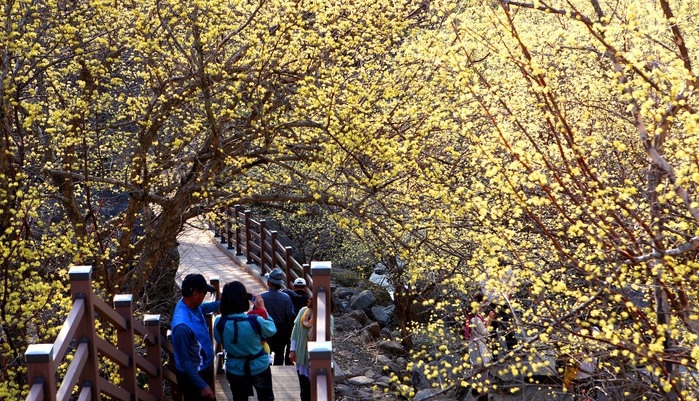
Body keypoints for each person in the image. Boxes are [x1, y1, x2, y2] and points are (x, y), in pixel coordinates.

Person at [214, 281, 276, 401]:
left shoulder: (219, 321)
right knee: (266, 398)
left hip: (234, 368)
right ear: (244, 299)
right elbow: (272, 330)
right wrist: (263, 309)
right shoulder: (255, 320)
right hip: (258, 366)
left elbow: (218, 339)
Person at [171, 273, 220, 401]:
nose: (205, 296)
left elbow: (203, 308)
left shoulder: (189, 305)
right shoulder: (182, 327)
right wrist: (202, 385)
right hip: (193, 377)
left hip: (203, 368)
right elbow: (184, 361)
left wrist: (222, 303)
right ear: (195, 294)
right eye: (204, 293)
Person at [289, 296, 334, 401]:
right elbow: (295, 331)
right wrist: (292, 350)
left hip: (316, 359)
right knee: (303, 387)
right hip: (301, 354)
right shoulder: (303, 311)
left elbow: (328, 337)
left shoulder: (328, 318)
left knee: (315, 390)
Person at [260, 267, 296, 365]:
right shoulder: (286, 297)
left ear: (269, 283)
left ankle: (267, 371)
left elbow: (257, 314)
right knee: (279, 354)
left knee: (265, 354)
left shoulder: (262, 297)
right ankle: (278, 370)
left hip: (266, 331)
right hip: (281, 331)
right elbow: (290, 314)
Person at [466, 292, 495, 401]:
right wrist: (490, 320)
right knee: (483, 370)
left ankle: (476, 389)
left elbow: (480, 326)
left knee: (476, 368)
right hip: (480, 346)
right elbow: (485, 332)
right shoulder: (476, 319)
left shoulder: (473, 316)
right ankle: (483, 394)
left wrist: (487, 319)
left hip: (474, 345)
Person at [282, 277, 311, 363]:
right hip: (302, 326)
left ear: (294, 287)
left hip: (288, 324)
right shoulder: (308, 299)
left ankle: (284, 363)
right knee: (297, 345)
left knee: (286, 345)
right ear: (305, 287)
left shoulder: (288, 296)